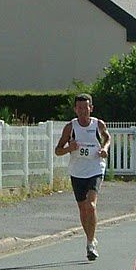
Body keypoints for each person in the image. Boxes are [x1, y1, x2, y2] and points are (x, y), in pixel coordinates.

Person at [55, 93, 111, 261]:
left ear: (90, 108)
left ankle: (90, 244)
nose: (82, 111)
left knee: (91, 205)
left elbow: (107, 137)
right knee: (82, 208)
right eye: (79, 108)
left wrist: (105, 149)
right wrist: (69, 148)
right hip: (77, 171)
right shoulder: (70, 127)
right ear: (75, 109)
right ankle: (90, 238)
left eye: (85, 108)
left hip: (95, 168)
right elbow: (58, 150)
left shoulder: (98, 124)